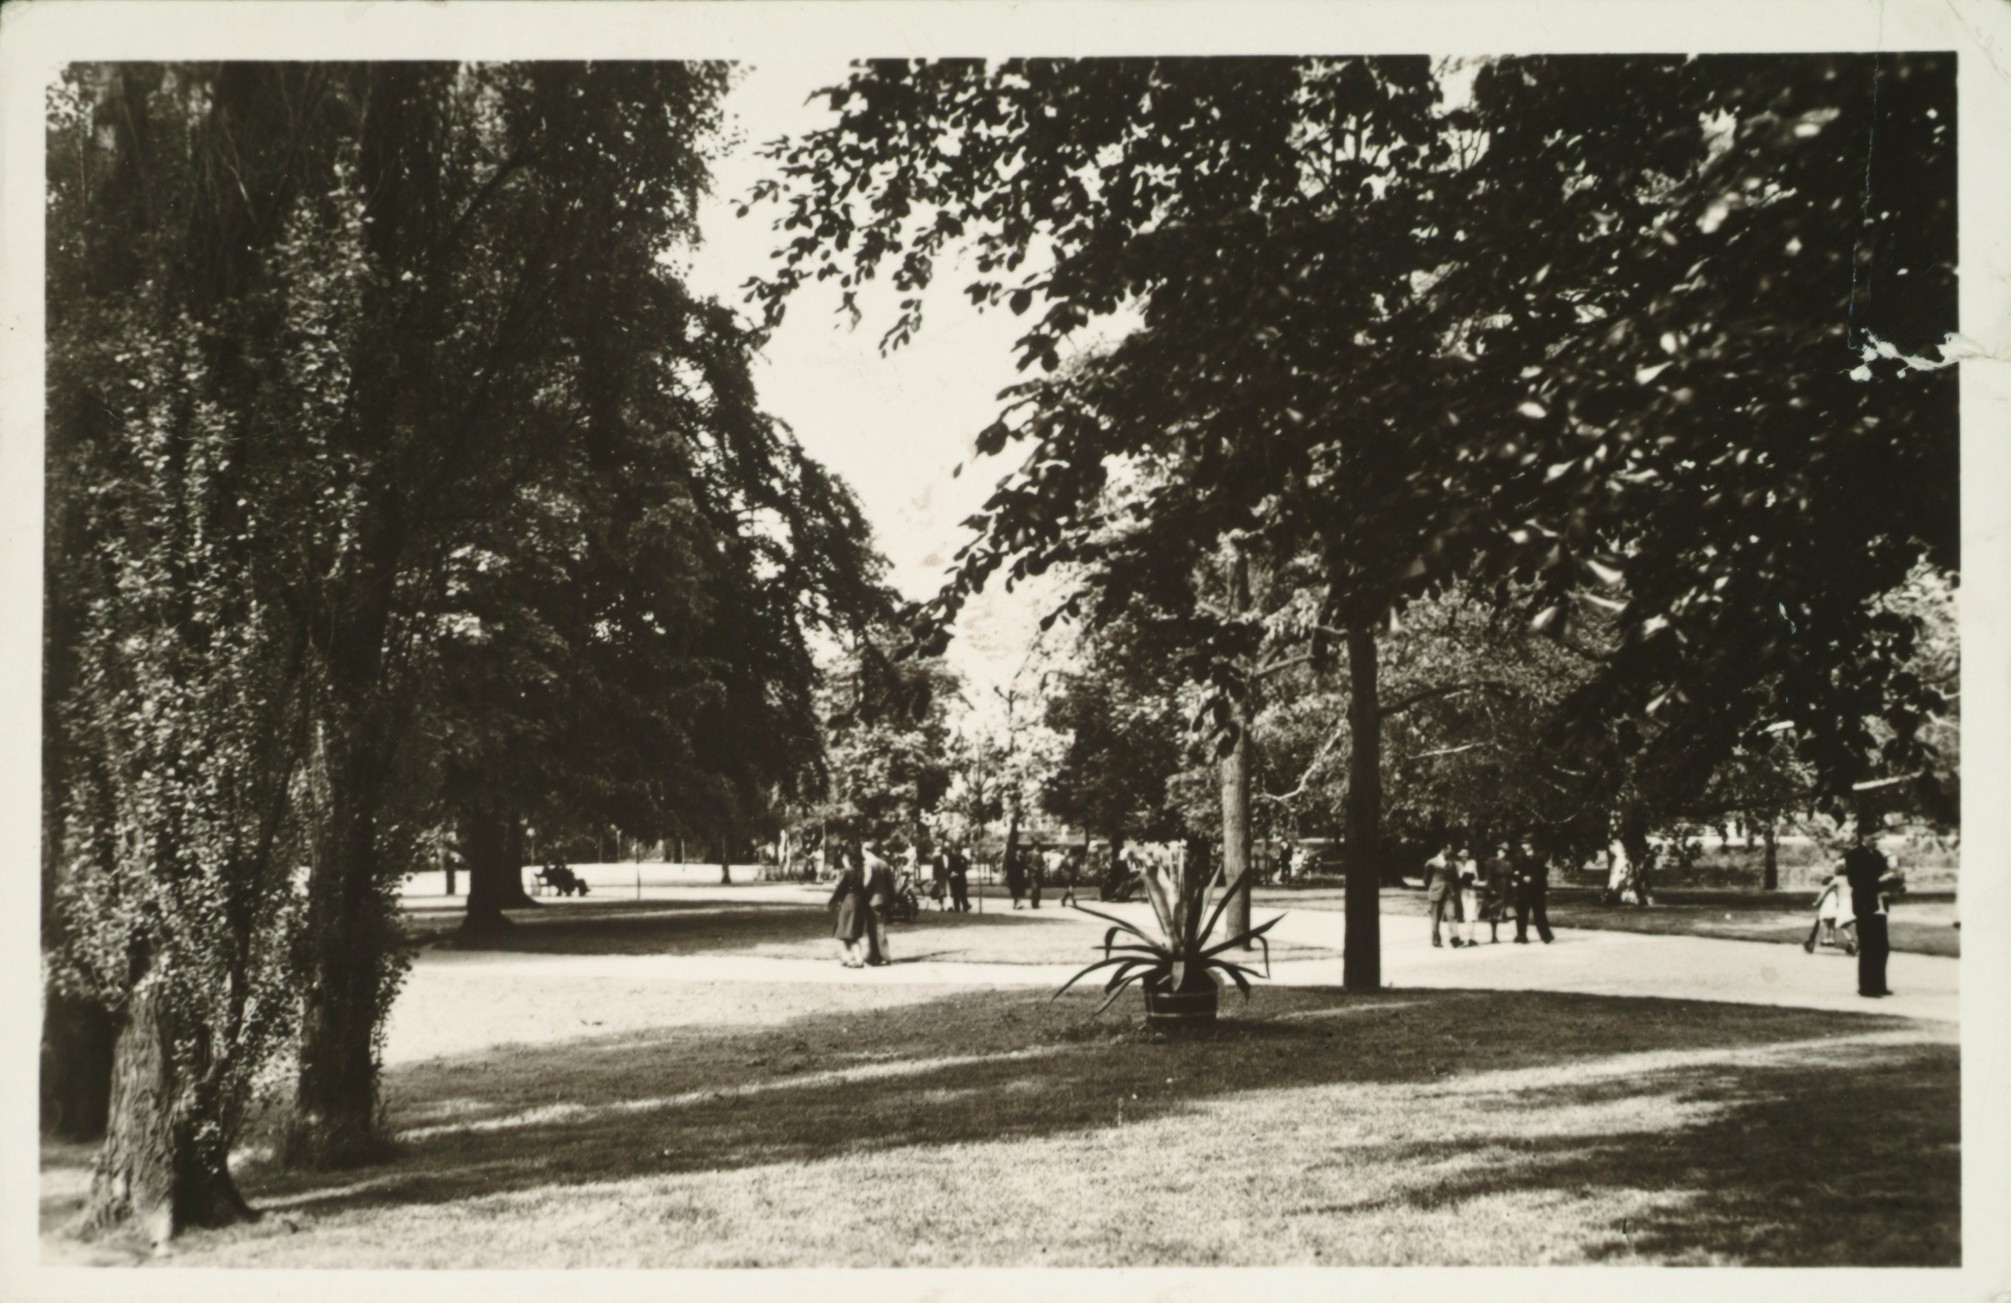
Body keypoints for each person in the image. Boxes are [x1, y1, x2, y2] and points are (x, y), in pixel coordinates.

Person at [1844, 840, 1900, 997]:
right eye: (1874, 837)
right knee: (1869, 947)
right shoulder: (1854, 855)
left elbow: (1886, 877)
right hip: (1866, 907)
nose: (1877, 841)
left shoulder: (1877, 854)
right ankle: (1867, 987)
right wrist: (1879, 881)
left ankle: (1879, 985)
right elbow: (1856, 882)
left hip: (1879, 906)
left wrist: (1891, 881)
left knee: (1882, 948)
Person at [828, 851, 869, 968]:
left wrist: (832, 902)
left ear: (849, 859)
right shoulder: (861, 871)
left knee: (848, 932)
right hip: (858, 901)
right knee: (849, 931)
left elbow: (840, 888)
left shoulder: (846, 871)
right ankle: (847, 957)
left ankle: (858, 959)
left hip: (848, 902)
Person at [1512, 841, 1554, 944]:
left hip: (1537, 890)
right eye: (1523, 844)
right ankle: (1521, 936)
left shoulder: (1539, 857)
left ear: (1531, 845)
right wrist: (1522, 878)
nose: (1524, 846)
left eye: (1526, 843)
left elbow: (1543, 874)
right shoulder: (1518, 857)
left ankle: (1546, 936)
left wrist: (1544, 888)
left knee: (1540, 913)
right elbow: (1513, 873)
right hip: (1523, 890)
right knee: (1522, 914)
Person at [1803, 867, 1850, 953]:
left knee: (1825, 925)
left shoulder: (1826, 890)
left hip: (1826, 910)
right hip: (1835, 911)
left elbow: (1821, 898)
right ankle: (1831, 939)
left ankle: (1825, 939)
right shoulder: (1836, 891)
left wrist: (1816, 903)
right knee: (1832, 926)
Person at [863, 849, 898, 966]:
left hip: (871, 900)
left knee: (875, 928)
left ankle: (882, 955)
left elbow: (867, 884)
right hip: (883, 899)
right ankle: (875, 955)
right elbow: (890, 884)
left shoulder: (868, 864)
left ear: (866, 851)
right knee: (877, 927)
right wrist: (893, 900)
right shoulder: (884, 863)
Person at [1424, 846, 1461, 948]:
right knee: (1435, 918)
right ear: (1443, 849)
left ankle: (1455, 938)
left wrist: (1455, 891)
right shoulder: (1431, 862)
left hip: (1449, 893)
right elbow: (1426, 880)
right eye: (1450, 849)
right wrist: (1432, 889)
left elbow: (1455, 878)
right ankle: (1436, 940)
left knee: (1452, 914)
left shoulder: (1451, 863)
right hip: (1436, 893)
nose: (1451, 852)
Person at [948, 846, 972, 912]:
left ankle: (965, 906)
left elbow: (965, 867)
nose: (958, 852)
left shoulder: (963, 858)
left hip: (961, 877)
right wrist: (952, 873)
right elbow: (950, 868)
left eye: (960, 851)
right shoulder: (952, 858)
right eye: (957, 850)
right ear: (955, 851)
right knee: (956, 894)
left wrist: (960, 871)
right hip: (954, 878)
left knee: (963, 893)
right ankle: (957, 908)